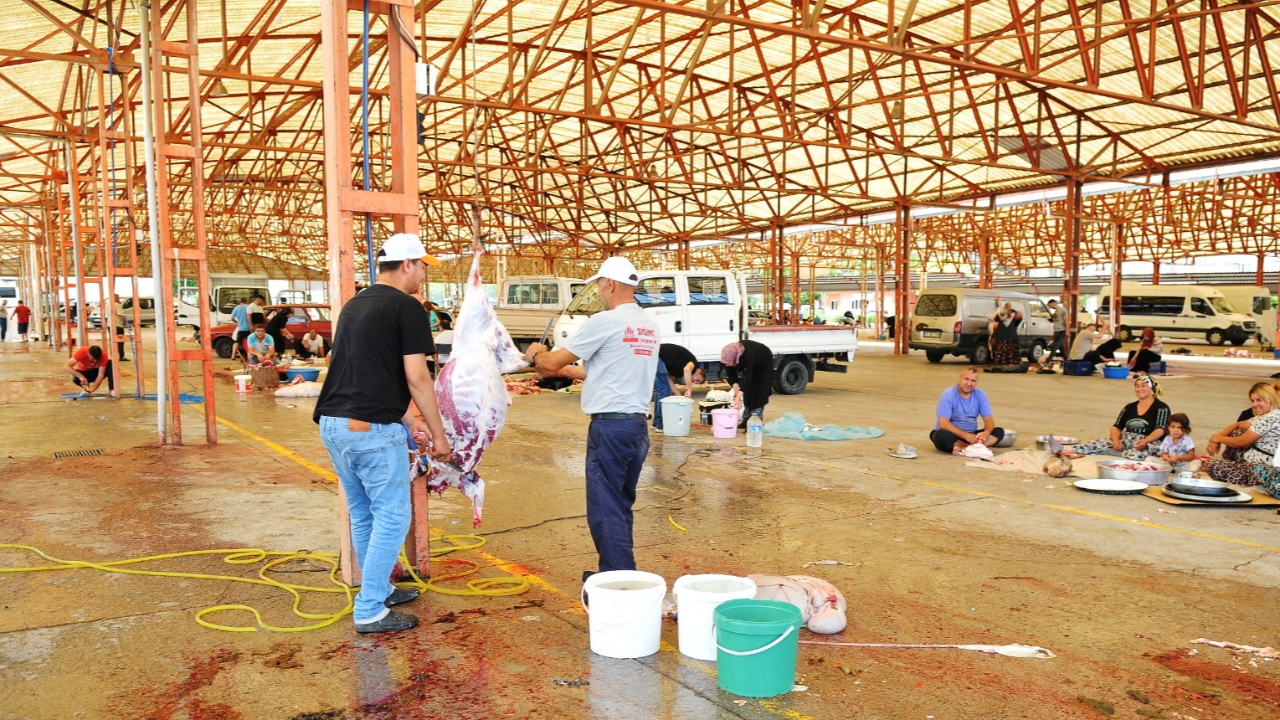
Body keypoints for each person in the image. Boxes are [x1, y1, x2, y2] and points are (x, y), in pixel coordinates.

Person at [313, 232, 451, 634]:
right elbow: (417, 378)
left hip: (335, 425)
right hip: (370, 430)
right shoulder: (407, 307)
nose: (424, 273)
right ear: (407, 264)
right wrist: (439, 436)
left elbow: (364, 372)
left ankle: (380, 588)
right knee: (392, 516)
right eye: (423, 265)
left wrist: (409, 421)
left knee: (363, 512)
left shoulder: (356, 304)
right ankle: (370, 608)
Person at [520, 256, 659, 579]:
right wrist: (565, 370)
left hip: (610, 427)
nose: (598, 290)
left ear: (609, 283)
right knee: (619, 502)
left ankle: (618, 580)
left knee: (604, 507)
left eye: (599, 284)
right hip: (636, 427)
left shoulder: (605, 321)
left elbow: (551, 364)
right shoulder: (647, 325)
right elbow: (603, 368)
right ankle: (619, 571)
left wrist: (534, 355)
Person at [1068, 375, 1170, 459]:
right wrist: (1116, 440)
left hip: (1149, 442)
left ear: (1152, 389)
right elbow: (1116, 427)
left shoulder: (1161, 408)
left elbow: (1160, 430)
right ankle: (1066, 450)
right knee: (1099, 443)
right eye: (1137, 386)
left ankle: (1119, 454)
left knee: (1145, 454)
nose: (1140, 389)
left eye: (1144, 386)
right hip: (1127, 439)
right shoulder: (1130, 407)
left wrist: (1145, 441)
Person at [1204, 383, 1280, 487]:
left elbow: (1241, 442)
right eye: (1252, 401)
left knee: (1213, 466)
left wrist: (1218, 438)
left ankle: (1249, 479)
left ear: (1270, 399)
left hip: (1265, 469)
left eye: (1259, 400)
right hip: (1255, 459)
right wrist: (1215, 440)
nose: (1254, 404)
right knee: (1236, 433)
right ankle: (1233, 466)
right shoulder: (1268, 415)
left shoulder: (1270, 418)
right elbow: (1237, 425)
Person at [929, 367, 1005, 454]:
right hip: (954, 436)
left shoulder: (980, 395)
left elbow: (988, 420)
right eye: (966, 379)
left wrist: (986, 433)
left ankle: (963, 448)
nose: (969, 383)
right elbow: (943, 423)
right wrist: (966, 436)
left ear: (976, 382)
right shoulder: (948, 395)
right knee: (939, 435)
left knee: (999, 431)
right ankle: (972, 448)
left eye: (973, 381)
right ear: (960, 378)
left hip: (972, 436)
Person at [652, 343, 705, 431]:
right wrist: (689, 389)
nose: (695, 382)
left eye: (696, 383)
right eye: (698, 379)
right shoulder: (693, 364)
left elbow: (668, 380)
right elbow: (687, 370)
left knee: (662, 390)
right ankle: (660, 424)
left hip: (656, 356)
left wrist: (679, 395)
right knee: (664, 391)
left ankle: (656, 423)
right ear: (699, 371)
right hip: (657, 355)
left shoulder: (678, 370)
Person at [721, 338, 773, 428]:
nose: (729, 365)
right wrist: (737, 394)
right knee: (747, 393)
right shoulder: (730, 355)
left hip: (763, 363)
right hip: (751, 363)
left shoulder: (747, 356)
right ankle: (746, 420)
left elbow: (747, 379)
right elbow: (732, 376)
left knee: (758, 391)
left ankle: (755, 421)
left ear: (735, 357)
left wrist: (738, 398)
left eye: (730, 363)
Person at [988, 302, 1023, 370]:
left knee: (1012, 351)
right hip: (1002, 337)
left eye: (1009, 308)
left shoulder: (1014, 317)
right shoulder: (999, 316)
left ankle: (1012, 365)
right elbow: (993, 320)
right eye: (1007, 308)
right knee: (1002, 351)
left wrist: (1016, 313)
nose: (1008, 310)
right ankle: (1001, 365)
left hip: (1012, 337)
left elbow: (1019, 318)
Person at [1042, 299, 1068, 365]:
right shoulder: (1056, 311)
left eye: (1050, 305)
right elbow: (1056, 323)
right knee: (1061, 348)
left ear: (1054, 303)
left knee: (1054, 347)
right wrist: (1054, 334)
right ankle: (1067, 361)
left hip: (1062, 331)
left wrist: (1067, 331)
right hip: (1057, 331)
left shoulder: (1063, 310)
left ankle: (1047, 362)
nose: (1050, 307)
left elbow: (1066, 321)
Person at [111, 294, 128, 361]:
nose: (119, 300)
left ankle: (113, 356)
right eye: (118, 298)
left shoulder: (107, 304)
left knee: (112, 341)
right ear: (115, 298)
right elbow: (121, 315)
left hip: (111, 326)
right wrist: (125, 323)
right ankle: (121, 356)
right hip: (118, 326)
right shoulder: (117, 305)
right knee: (120, 341)